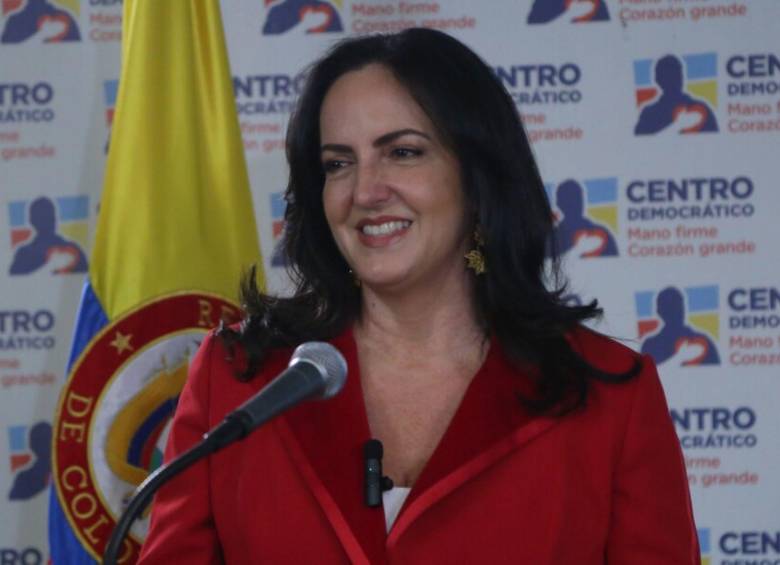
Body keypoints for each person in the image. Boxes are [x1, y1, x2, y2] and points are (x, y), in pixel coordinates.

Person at [140, 29, 698, 564]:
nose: (365, 191)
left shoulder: (607, 399)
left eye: (403, 152)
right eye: (338, 164)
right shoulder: (238, 379)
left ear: (477, 178)